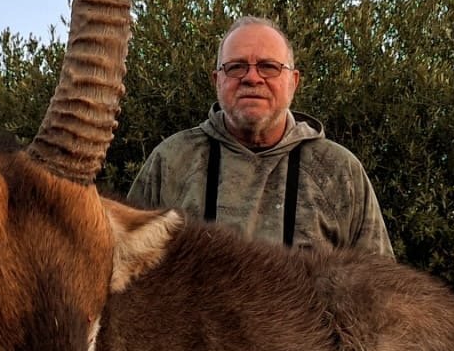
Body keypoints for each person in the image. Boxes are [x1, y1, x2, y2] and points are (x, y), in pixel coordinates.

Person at [128, 17, 393, 255]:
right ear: (217, 80)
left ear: (294, 81)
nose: (252, 78)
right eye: (236, 67)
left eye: (268, 67)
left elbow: (379, 293)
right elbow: (123, 269)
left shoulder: (339, 171)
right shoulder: (172, 161)